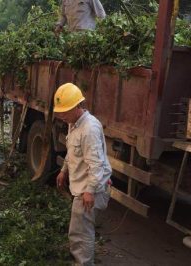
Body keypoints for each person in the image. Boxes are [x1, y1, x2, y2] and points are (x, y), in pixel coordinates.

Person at [54, 83, 111, 266]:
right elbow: (72, 153)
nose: (61, 116)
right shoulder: (74, 123)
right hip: (82, 188)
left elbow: (96, 164)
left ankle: (83, 263)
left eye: (65, 111)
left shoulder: (89, 128)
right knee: (78, 231)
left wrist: (90, 191)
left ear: (77, 106)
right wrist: (64, 171)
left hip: (88, 190)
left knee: (81, 234)